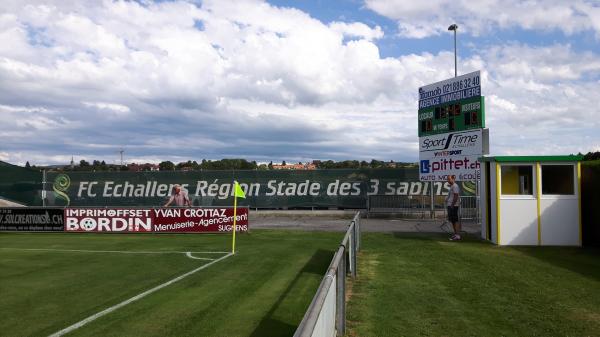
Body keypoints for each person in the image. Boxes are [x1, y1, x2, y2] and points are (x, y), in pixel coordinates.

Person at [445, 175, 461, 241]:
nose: (448, 180)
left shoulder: (455, 186)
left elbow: (456, 196)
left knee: (455, 220)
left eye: (449, 179)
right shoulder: (452, 186)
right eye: (447, 179)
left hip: (453, 206)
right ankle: (456, 234)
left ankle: (457, 235)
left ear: (453, 179)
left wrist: (452, 205)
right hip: (451, 205)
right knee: (453, 220)